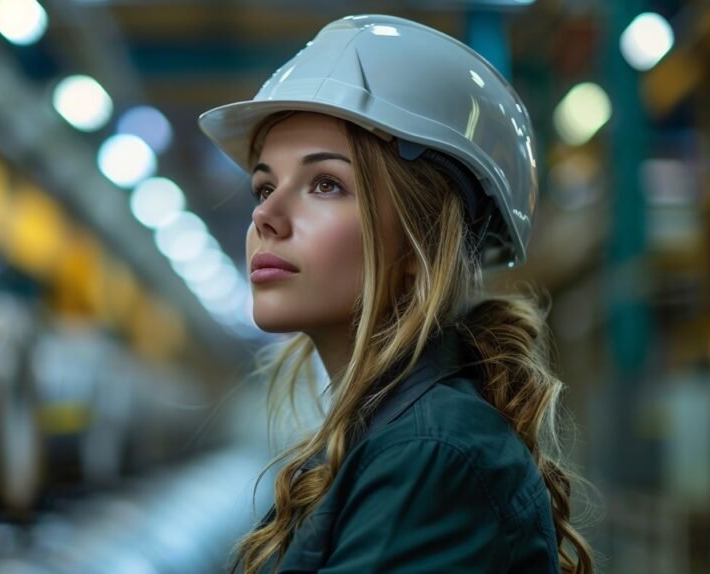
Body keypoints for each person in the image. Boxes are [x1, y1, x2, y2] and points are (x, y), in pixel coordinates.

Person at [198, 14, 595, 574]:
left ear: (421, 243)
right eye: (265, 186)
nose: (265, 214)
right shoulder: (389, 438)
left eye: (325, 184)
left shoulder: (431, 456)